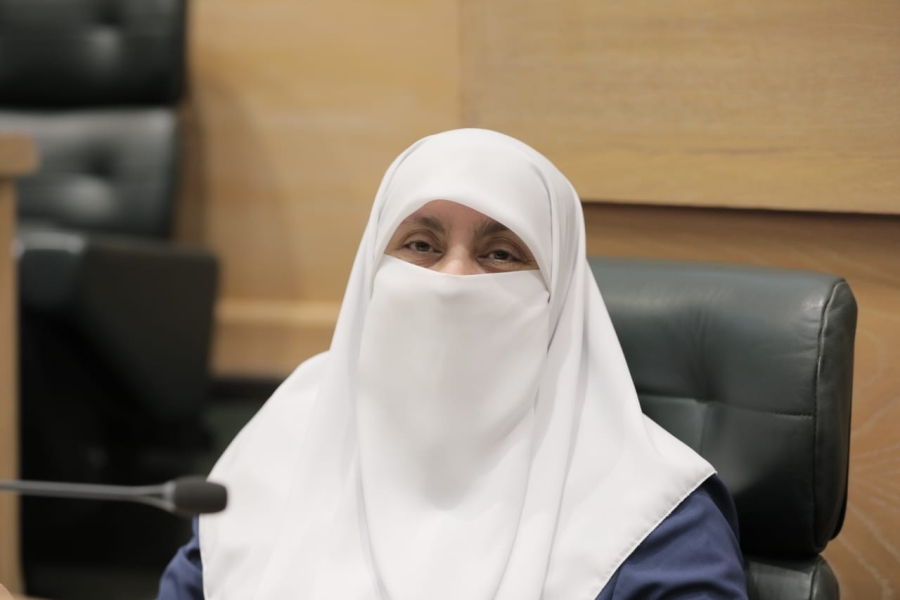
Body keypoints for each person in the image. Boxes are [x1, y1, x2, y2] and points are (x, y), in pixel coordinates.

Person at [158, 129, 748, 599]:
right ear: (371, 271)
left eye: (501, 253)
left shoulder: (652, 515)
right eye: (421, 245)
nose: (454, 279)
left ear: (558, 296)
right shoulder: (283, 447)